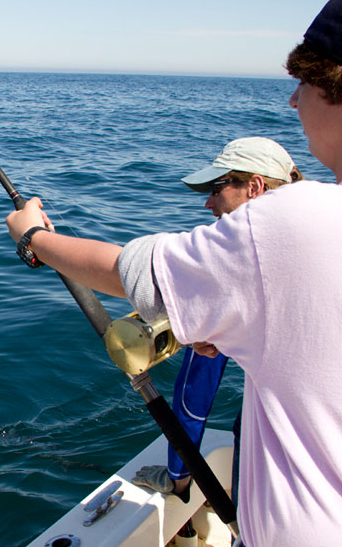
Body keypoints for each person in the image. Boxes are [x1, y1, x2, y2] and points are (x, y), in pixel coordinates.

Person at [5, 0, 342, 545]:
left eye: (305, 83)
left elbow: (129, 273)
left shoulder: (296, 224)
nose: (293, 102)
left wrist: (35, 236)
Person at [130, 137, 304, 504]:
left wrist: (178, 478)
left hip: (291, 453)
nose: (208, 203)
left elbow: (195, 394)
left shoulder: (237, 268)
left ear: (254, 188)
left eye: (217, 188)